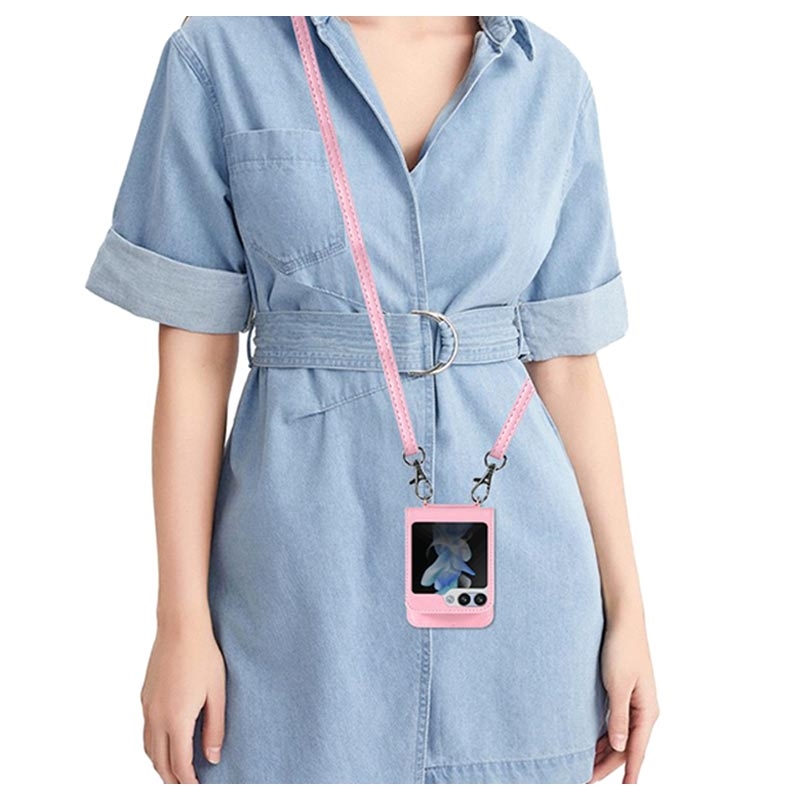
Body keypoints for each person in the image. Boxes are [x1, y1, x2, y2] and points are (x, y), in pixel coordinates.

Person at [84, 15, 658, 784]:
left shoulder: (549, 78)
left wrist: (629, 614)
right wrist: (180, 622)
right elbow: (193, 362)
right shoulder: (219, 56)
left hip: (525, 598)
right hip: (299, 589)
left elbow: (570, 367)